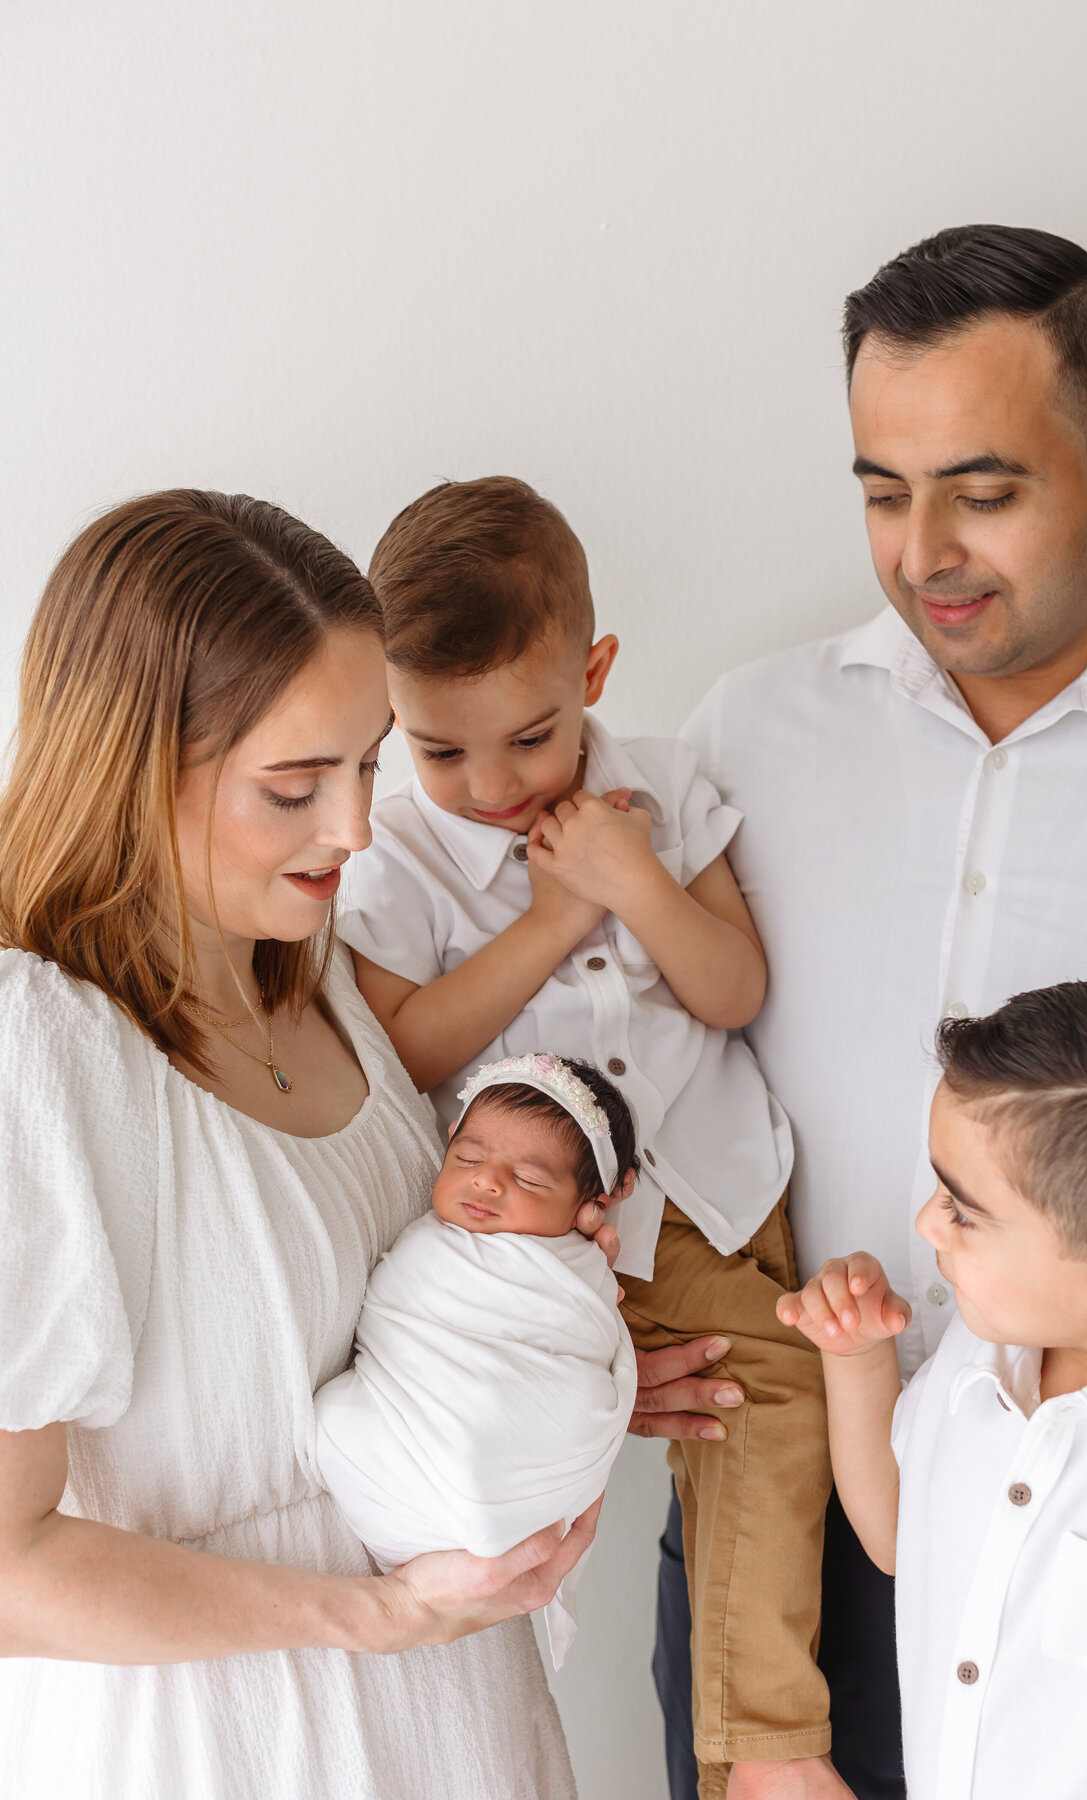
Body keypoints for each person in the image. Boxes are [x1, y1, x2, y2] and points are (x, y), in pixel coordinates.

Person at [679, 224, 1087, 1799]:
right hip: (776, 1510)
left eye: (983, 492)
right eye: (882, 493)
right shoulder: (746, 732)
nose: (923, 553)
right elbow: (641, 1074)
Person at [0, 488, 613, 1800]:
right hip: (229, 1748)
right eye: (294, 787)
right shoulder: (38, 1048)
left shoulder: (314, 969)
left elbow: (376, 1325)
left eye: (370, 762)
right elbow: (8, 1572)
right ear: (130, 767)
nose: (354, 829)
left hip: (461, 1724)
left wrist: (559, 1346)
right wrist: (378, 1618)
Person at [340, 477, 838, 1800]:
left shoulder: (666, 791)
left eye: (531, 738)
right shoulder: (395, 856)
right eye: (440, 750)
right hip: (536, 1250)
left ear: (596, 674)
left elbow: (732, 991)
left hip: (718, 1204)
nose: (490, 786)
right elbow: (411, 1051)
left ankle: (767, 1755)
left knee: (772, 1423)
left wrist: (632, 885)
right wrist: (553, 924)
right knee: (497, 1472)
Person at [784, 973, 1087, 1799]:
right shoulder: (978, 1352)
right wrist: (856, 1357)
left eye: (963, 1211)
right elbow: (905, 1538)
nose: (925, 1224)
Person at [314, 1054, 639, 1670]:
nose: (488, 1181)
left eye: (532, 1179)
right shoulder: (431, 1243)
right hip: (434, 1491)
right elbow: (397, 1315)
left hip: (518, 1472)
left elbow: (580, 1351)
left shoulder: (575, 1272)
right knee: (336, 1414)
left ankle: (476, 1499)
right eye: (467, 1158)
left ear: (585, 1208)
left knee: (334, 1415)